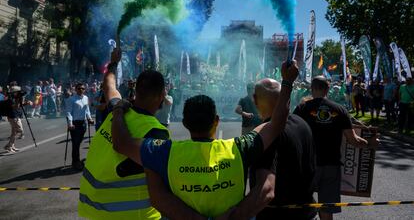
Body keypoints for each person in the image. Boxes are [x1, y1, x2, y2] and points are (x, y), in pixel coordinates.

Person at [109, 55, 298, 218]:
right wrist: (287, 82)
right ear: (216, 121)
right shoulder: (238, 148)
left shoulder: (164, 151)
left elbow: (121, 143)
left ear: (184, 123)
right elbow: (276, 124)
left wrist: (118, 110)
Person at [78, 55, 171, 219]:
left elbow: (109, 86)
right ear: (162, 94)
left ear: (136, 90)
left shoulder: (117, 108)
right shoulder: (156, 132)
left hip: (90, 210)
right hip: (130, 215)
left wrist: (114, 62)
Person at [228, 78, 317, 220]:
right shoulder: (302, 123)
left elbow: (266, 191)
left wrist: (235, 216)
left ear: (255, 100)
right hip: (307, 213)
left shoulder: (268, 136)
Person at [294, 76, 379, 220]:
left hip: (307, 165)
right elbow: (353, 140)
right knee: (327, 207)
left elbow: (292, 133)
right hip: (331, 166)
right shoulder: (339, 110)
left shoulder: (302, 108)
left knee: (300, 205)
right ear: (328, 89)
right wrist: (370, 143)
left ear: (312, 88)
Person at [66, 83, 94, 170]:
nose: (81, 90)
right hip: (75, 124)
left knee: (78, 143)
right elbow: (68, 112)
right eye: (79, 88)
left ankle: (76, 160)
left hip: (83, 123)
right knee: (76, 143)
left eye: (82, 88)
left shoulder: (86, 98)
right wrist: (70, 123)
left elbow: (87, 110)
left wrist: (89, 118)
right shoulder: (71, 99)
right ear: (75, 89)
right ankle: (75, 162)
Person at [2, 86, 30, 153]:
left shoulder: (15, 97)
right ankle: (9, 146)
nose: (19, 93)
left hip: (16, 116)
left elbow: (19, 105)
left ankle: (11, 146)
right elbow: (15, 107)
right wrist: (21, 100)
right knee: (19, 130)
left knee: (14, 132)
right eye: (18, 92)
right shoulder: (10, 99)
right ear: (14, 92)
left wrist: (25, 102)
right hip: (13, 116)